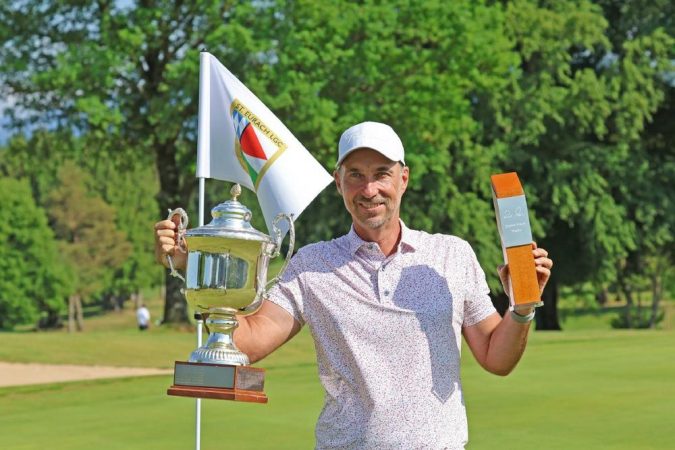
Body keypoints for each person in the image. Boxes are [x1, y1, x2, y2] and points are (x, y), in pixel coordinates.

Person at [154, 121, 553, 449]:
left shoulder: (451, 254)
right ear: (338, 181)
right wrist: (195, 267)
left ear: (403, 179)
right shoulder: (312, 264)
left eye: (381, 174)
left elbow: (496, 358)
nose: (369, 189)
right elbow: (248, 341)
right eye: (356, 176)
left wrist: (521, 307)